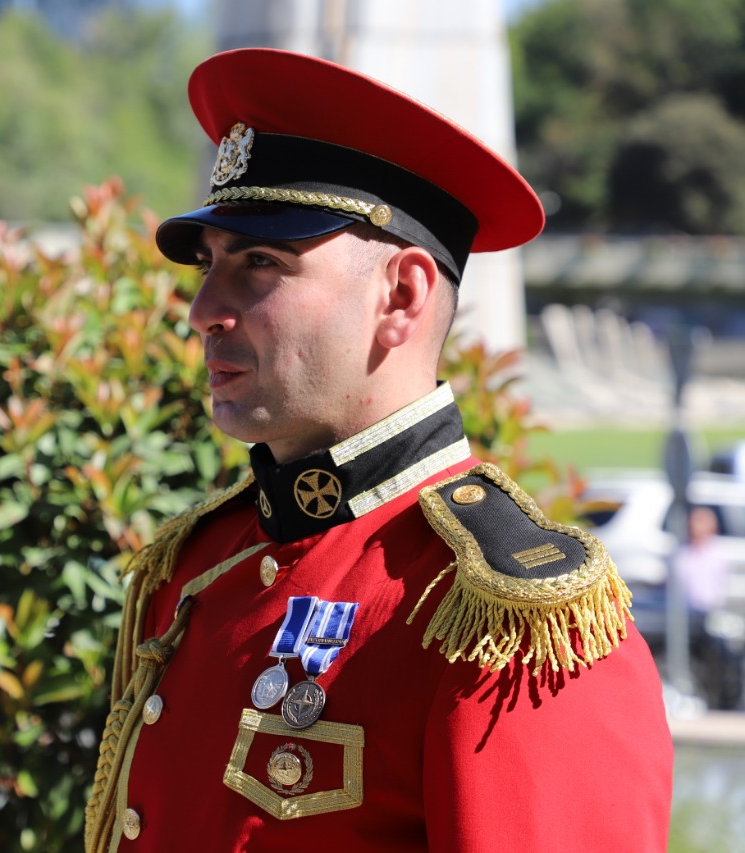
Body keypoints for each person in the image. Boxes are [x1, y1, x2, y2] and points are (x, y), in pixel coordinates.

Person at [83, 49, 671, 852]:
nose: (204, 309)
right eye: (210, 263)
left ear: (401, 295)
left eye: (260, 264)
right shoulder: (202, 559)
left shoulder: (507, 622)